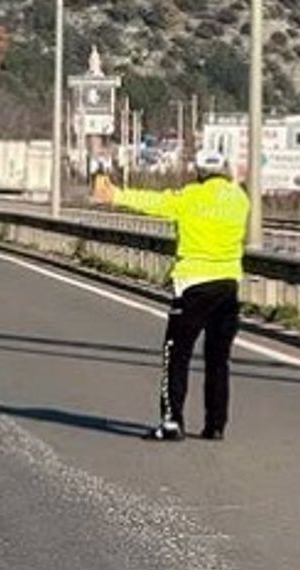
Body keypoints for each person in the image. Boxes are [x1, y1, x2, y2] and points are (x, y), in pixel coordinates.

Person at [91, 153, 250, 441]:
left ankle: (172, 422)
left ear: (199, 172)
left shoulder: (189, 197)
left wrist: (115, 194)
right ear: (225, 171)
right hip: (228, 284)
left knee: (176, 355)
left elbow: (154, 202)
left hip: (192, 284)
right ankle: (215, 425)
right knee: (218, 358)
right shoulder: (239, 199)